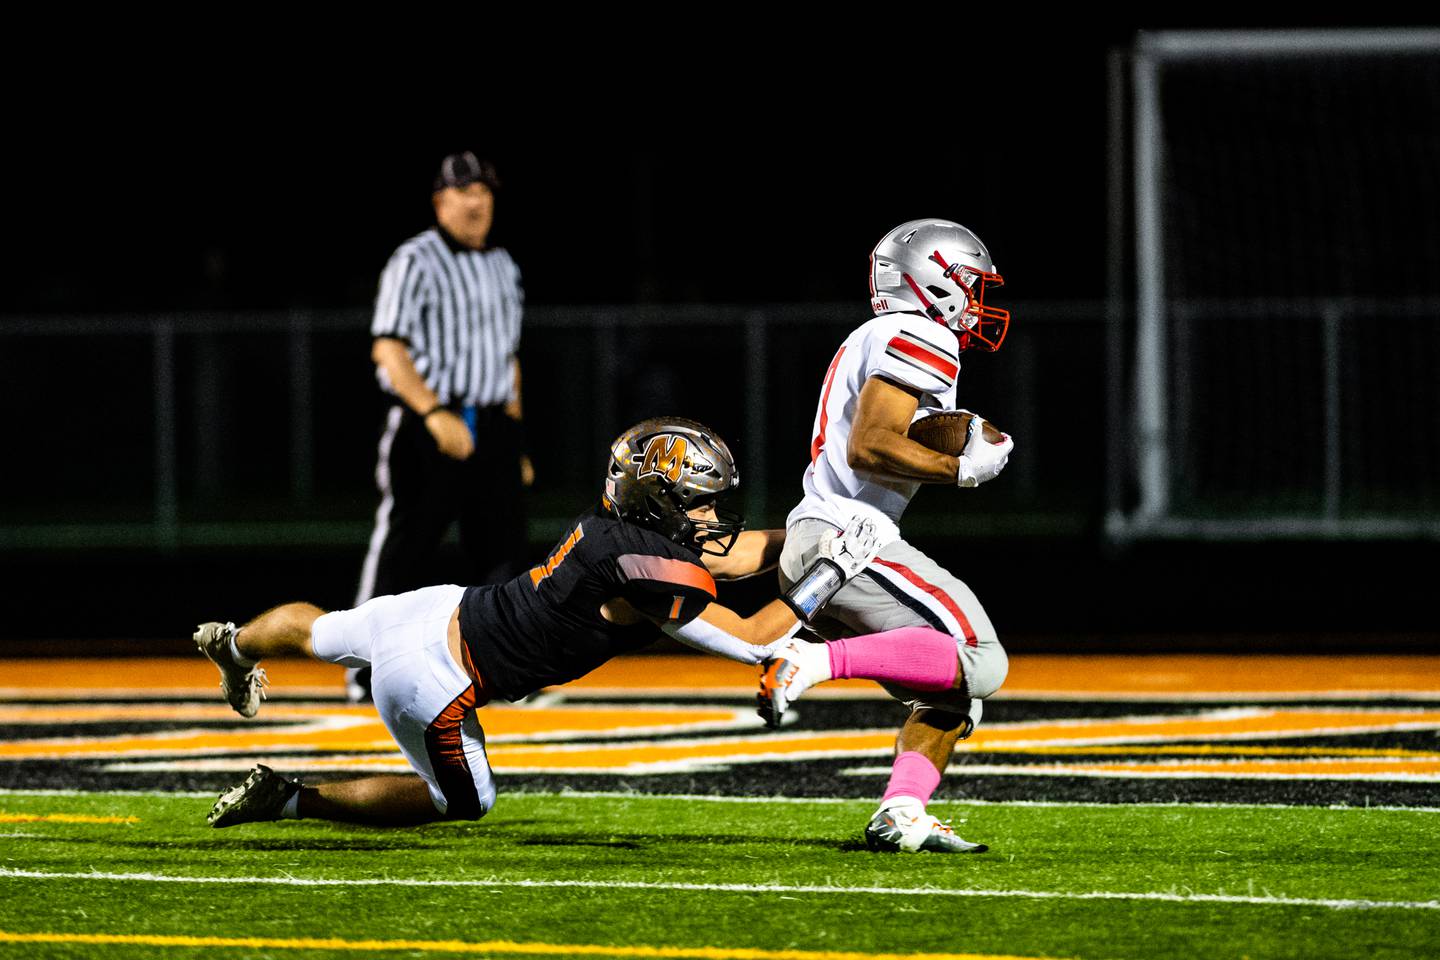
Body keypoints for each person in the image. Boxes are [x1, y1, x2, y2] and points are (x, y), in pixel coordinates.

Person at [197, 417, 882, 828]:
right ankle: (291, 800)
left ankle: (233, 645)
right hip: (435, 680)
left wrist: (817, 529)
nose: (710, 517)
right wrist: (833, 569)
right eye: (699, 503)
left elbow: (733, 558)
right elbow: (757, 639)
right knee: (464, 802)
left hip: (435, 608)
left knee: (317, 631)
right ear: (661, 502)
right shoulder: (645, 572)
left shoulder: (616, 534)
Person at [757, 219, 1015, 854]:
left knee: (953, 691)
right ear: (937, 279)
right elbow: (871, 445)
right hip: (849, 540)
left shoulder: (877, 335)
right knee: (982, 657)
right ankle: (809, 661)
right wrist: (961, 468)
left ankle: (900, 812)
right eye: (971, 283)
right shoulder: (921, 332)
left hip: (823, 540)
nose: (978, 299)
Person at [351, 151, 533, 702]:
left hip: (492, 421)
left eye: (485, 191)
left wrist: (515, 440)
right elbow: (387, 345)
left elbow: (508, 357)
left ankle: (495, 669)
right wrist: (432, 413)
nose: (477, 201)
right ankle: (364, 668)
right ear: (440, 201)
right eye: (464, 191)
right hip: (429, 422)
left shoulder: (504, 265)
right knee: (406, 546)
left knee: (501, 554)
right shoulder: (415, 259)